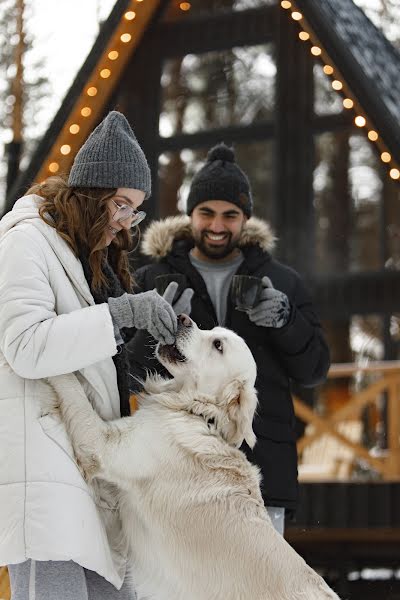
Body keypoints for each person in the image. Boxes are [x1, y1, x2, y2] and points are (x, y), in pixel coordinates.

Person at [0, 111, 178, 599]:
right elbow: (26, 346)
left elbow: (92, 361)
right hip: (42, 467)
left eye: (135, 211)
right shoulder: (25, 242)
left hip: (87, 465)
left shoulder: (83, 254)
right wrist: (121, 314)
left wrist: (151, 340)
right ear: (91, 193)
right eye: (121, 204)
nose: (125, 221)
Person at [127, 143, 330, 535]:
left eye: (230, 215)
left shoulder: (283, 282)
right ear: (191, 215)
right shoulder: (154, 280)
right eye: (207, 213)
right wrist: (155, 331)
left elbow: (314, 369)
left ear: (245, 219)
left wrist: (285, 320)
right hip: (176, 469)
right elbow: (127, 373)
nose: (217, 226)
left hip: (261, 468)